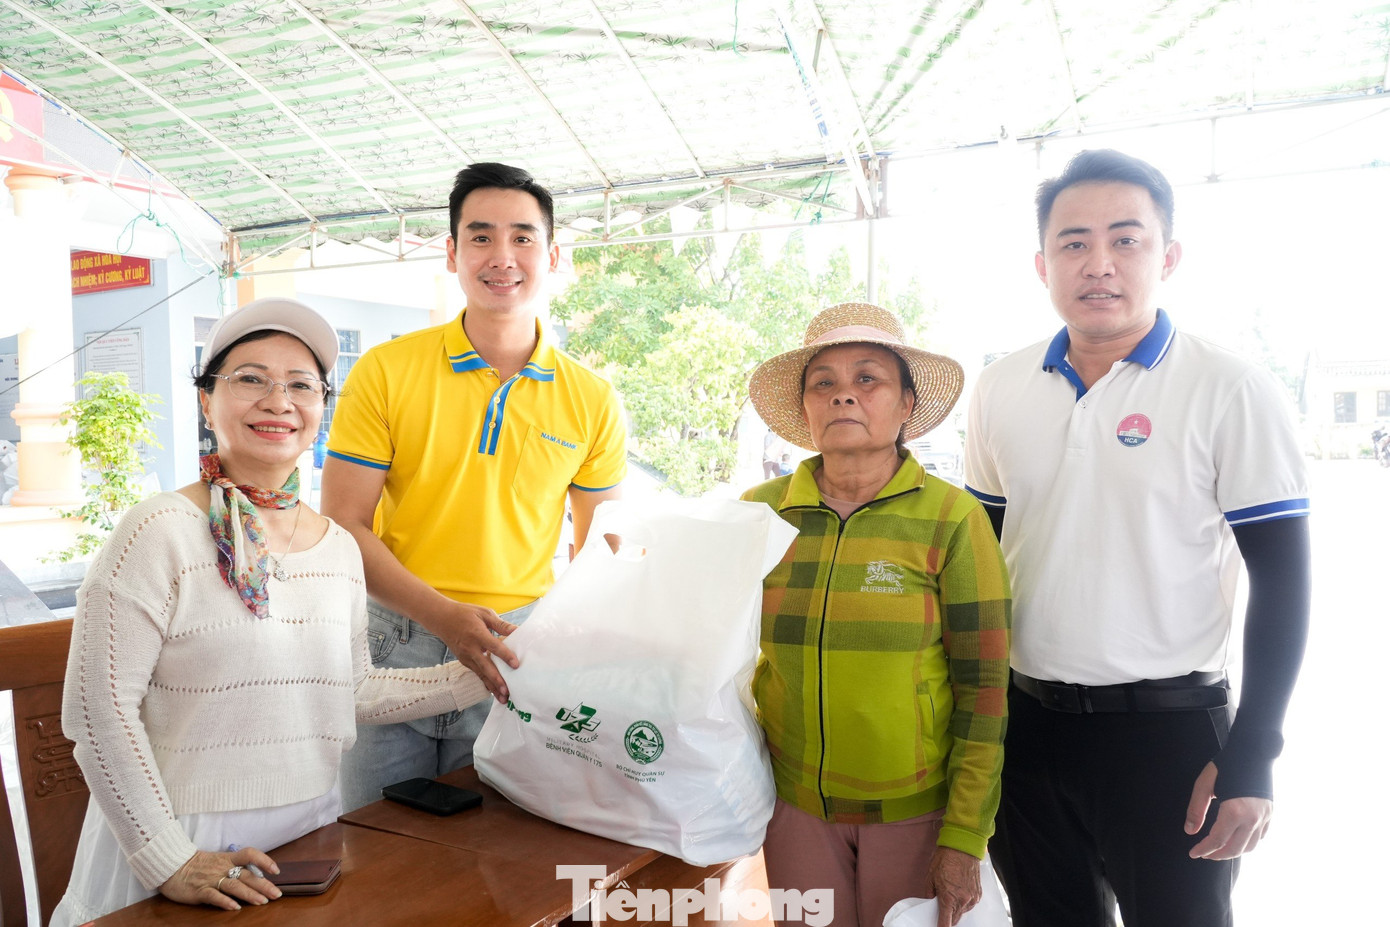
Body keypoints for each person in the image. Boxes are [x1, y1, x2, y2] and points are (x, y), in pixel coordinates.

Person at [52, 298, 489, 924]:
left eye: (300, 385)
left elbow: (354, 688)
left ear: (321, 409)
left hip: (309, 832)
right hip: (180, 833)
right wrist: (167, 857)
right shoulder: (159, 532)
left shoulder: (339, 547)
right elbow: (97, 713)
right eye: (250, 378)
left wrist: (481, 673)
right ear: (207, 401)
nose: (278, 401)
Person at [964, 149, 1311, 927]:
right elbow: (977, 567)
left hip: (1171, 738)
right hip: (1028, 731)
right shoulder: (1001, 387)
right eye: (1074, 242)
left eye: (1127, 239)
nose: (1099, 264)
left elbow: (1283, 582)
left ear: (1169, 255)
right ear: (1041, 263)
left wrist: (1254, 753)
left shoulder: (1229, 387)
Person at [323, 162, 627, 811]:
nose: (503, 256)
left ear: (552, 254)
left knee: (496, 863)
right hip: (389, 640)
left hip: (517, 650)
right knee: (374, 851)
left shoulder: (593, 398)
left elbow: (601, 550)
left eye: (522, 237)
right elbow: (343, 524)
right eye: (482, 236)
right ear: (453, 252)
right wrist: (441, 616)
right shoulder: (385, 369)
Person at [743, 302, 1011, 927]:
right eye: (824, 384)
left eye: (868, 379)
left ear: (906, 406)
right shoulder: (760, 514)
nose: (844, 397)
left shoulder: (952, 519)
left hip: (916, 815)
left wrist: (966, 834)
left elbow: (985, 688)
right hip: (793, 808)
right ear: (806, 410)